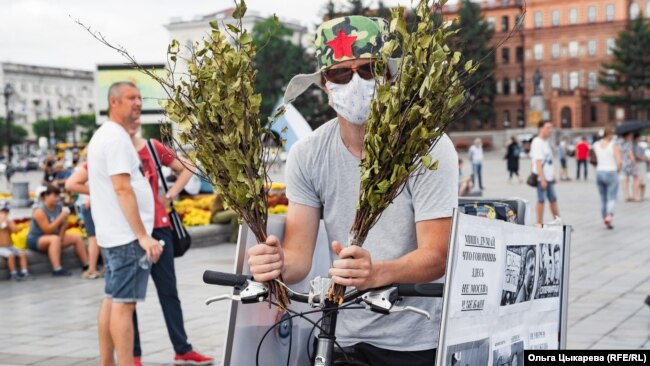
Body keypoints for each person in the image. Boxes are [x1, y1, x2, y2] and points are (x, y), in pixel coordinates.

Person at [248, 16, 458, 365]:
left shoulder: (429, 148)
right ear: (325, 85)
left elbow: (437, 255)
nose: (356, 82)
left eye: (368, 70)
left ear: (389, 75)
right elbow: (298, 259)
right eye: (341, 74)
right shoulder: (308, 153)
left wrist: (378, 273)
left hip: (414, 339)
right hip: (338, 334)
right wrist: (277, 264)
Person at [124, 118, 214, 366]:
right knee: (128, 298)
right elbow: (77, 181)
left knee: (169, 292)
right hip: (130, 232)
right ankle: (133, 356)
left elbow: (188, 166)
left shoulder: (152, 147)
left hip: (160, 228)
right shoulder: (113, 150)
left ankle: (182, 349)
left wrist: (170, 195)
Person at [87, 81, 162, 366]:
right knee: (124, 305)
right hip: (126, 238)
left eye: (140, 98)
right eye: (131, 98)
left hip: (113, 236)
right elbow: (122, 188)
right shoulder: (117, 139)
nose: (138, 103)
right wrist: (143, 236)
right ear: (114, 102)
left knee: (111, 299)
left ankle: (107, 363)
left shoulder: (104, 135)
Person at [25, 185, 89, 276]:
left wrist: (62, 229)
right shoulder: (39, 211)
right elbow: (47, 230)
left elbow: (62, 227)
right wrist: (60, 218)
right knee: (54, 239)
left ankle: (86, 264)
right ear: (46, 196)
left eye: (58, 196)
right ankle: (57, 269)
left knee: (76, 237)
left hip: (53, 237)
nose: (57, 199)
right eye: (55, 196)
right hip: (36, 239)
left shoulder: (58, 207)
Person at [65, 162, 102, 279]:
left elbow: (70, 185)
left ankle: (92, 268)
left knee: (93, 238)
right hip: (94, 203)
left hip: (89, 205)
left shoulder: (88, 166)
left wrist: (92, 196)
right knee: (99, 237)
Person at [530, 121, 560, 225]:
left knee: (553, 199)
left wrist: (553, 175)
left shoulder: (545, 142)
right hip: (541, 177)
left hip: (548, 176)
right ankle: (539, 223)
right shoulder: (537, 142)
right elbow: (538, 162)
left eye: (551, 127)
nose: (550, 130)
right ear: (540, 128)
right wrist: (542, 179)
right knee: (541, 200)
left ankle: (558, 221)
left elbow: (549, 162)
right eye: (548, 127)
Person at [593, 127, 622, 229]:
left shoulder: (596, 144)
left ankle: (604, 219)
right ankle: (609, 216)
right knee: (612, 197)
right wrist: (618, 170)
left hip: (599, 172)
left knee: (603, 199)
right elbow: (619, 161)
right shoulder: (613, 145)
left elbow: (592, 158)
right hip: (611, 172)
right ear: (609, 134)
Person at [0, 201, 31, 281]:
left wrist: (9, 223)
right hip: (1, 247)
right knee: (11, 256)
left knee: (22, 254)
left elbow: (15, 230)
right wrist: (2, 222)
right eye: (2, 211)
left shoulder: (8, 221)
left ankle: (25, 272)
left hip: (9, 246)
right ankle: (13, 273)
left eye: (6, 211)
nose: (4, 214)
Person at [620, 132, 640, 202]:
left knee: (625, 180)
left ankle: (626, 195)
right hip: (630, 164)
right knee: (637, 178)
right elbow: (631, 155)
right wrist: (635, 164)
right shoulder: (629, 143)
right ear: (627, 135)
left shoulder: (621, 143)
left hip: (624, 163)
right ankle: (635, 195)